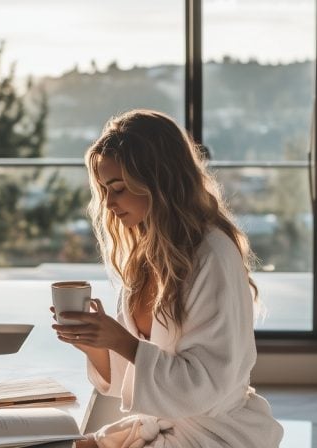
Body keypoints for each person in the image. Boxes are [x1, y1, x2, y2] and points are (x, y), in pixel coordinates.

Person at [51, 109, 284, 447]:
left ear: (158, 181)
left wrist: (120, 341)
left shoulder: (212, 256)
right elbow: (131, 380)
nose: (108, 203)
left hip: (214, 436)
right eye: (103, 189)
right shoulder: (148, 256)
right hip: (164, 425)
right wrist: (95, 344)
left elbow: (204, 385)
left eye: (117, 188)